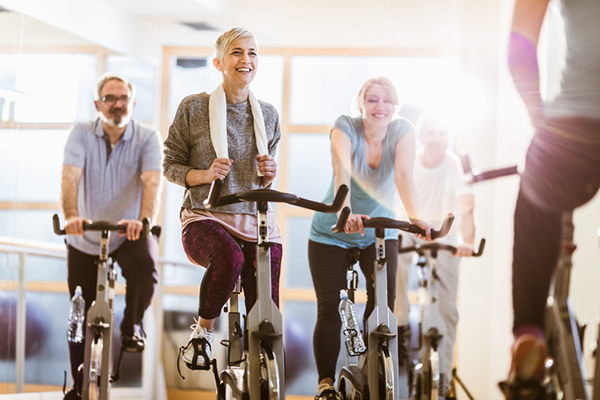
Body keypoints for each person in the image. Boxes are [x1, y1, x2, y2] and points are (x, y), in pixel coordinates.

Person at [162, 27, 281, 371]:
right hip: (205, 216)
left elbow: (265, 178)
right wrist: (204, 174)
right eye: (237, 52)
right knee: (230, 258)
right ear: (218, 62)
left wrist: (270, 173)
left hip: (254, 220)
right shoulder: (194, 108)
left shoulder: (269, 115)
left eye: (252, 53)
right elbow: (170, 164)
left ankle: (263, 370)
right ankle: (202, 333)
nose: (246, 60)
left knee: (266, 311)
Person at [308, 77, 435, 400]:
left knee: (382, 306)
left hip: (379, 230)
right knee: (329, 309)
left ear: (396, 107)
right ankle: (325, 384)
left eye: (387, 101)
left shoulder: (402, 130)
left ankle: (369, 371)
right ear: (361, 104)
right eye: (373, 100)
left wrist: (415, 216)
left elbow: (404, 174)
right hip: (332, 232)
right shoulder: (345, 127)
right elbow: (342, 173)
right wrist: (345, 211)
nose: (380, 107)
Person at [505, 0, 600, 390]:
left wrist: (537, 116)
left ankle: (529, 332)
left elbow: (519, 48)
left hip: (575, 125)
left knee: (534, 211)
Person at [61, 74, 163, 400]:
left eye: (123, 98)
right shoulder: (81, 133)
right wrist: (71, 217)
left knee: (146, 272)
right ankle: (79, 387)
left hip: (128, 231)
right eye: (109, 98)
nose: (117, 103)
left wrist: (143, 220)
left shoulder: (147, 137)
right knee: (79, 314)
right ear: (98, 104)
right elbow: (70, 177)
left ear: (132, 103)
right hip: (85, 234)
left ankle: (131, 325)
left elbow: (152, 183)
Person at [394, 114, 475, 399]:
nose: (438, 139)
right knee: (394, 259)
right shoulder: (411, 162)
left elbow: (466, 207)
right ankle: (400, 318)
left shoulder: (453, 164)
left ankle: (443, 378)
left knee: (448, 312)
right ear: (422, 137)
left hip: (443, 237)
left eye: (443, 134)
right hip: (409, 229)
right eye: (432, 134)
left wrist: (468, 240)